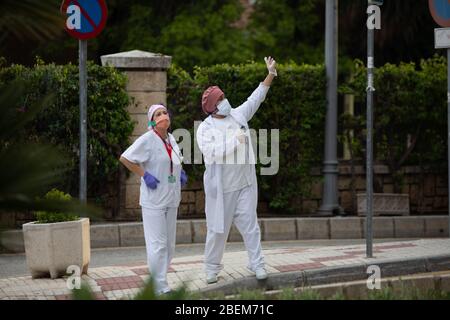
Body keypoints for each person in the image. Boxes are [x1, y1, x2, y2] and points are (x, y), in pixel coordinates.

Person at [196, 57, 277, 284]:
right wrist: (235, 141)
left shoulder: (238, 115)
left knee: (251, 226)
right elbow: (210, 152)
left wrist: (270, 74)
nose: (224, 100)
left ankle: (257, 263)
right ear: (211, 107)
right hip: (222, 189)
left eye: (223, 96)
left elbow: (256, 98)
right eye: (219, 99)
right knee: (218, 230)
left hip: (245, 183)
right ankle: (211, 268)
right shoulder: (205, 128)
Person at [119, 104, 188, 294]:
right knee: (157, 245)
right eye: (158, 114)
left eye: (165, 112)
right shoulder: (148, 139)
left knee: (169, 246)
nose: (163, 116)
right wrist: (144, 174)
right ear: (152, 120)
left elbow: (176, 160)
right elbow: (125, 158)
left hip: (171, 198)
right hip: (154, 201)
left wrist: (180, 173)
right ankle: (159, 287)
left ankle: (159, 281)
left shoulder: (171, 139)